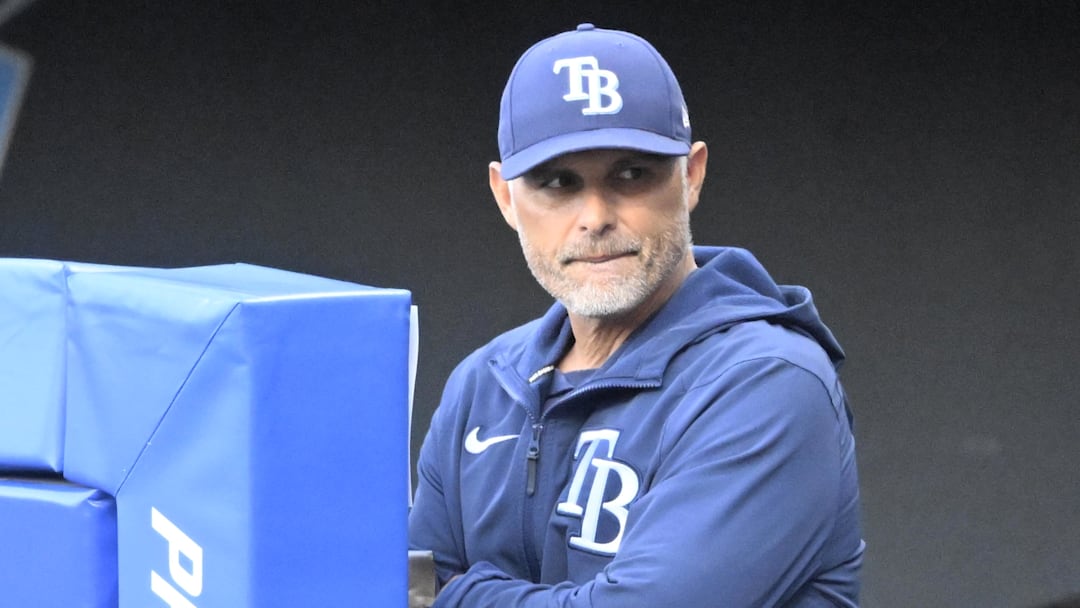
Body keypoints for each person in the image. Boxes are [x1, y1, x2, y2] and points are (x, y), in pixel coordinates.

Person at [408, 23, 865, 607]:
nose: (595, 216)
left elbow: (420, 594)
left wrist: (455, 596)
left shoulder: (768, 382)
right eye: (558, 182)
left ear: (691, 175)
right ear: (505, 198)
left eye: (632, 174)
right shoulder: (484, 383)